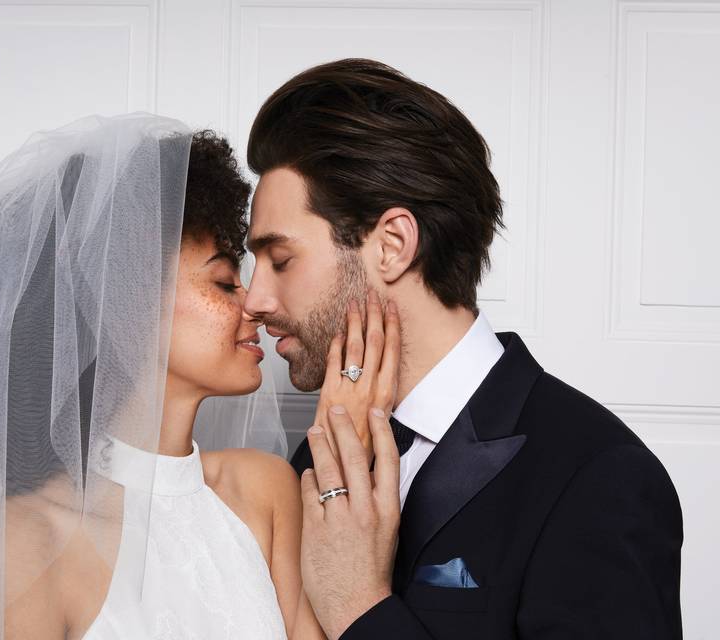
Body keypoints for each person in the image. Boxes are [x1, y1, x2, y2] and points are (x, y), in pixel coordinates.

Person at [243, 58, 684, 639]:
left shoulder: (597, 475)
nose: (254, 299)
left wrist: (358, 606)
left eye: (280, 259)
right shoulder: (318, 460)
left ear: (392, 245)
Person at [0, 115, 320, 639]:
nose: (256, 305)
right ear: (121, 309)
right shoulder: (22, 538)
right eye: (223, 281)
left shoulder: (263, 489)